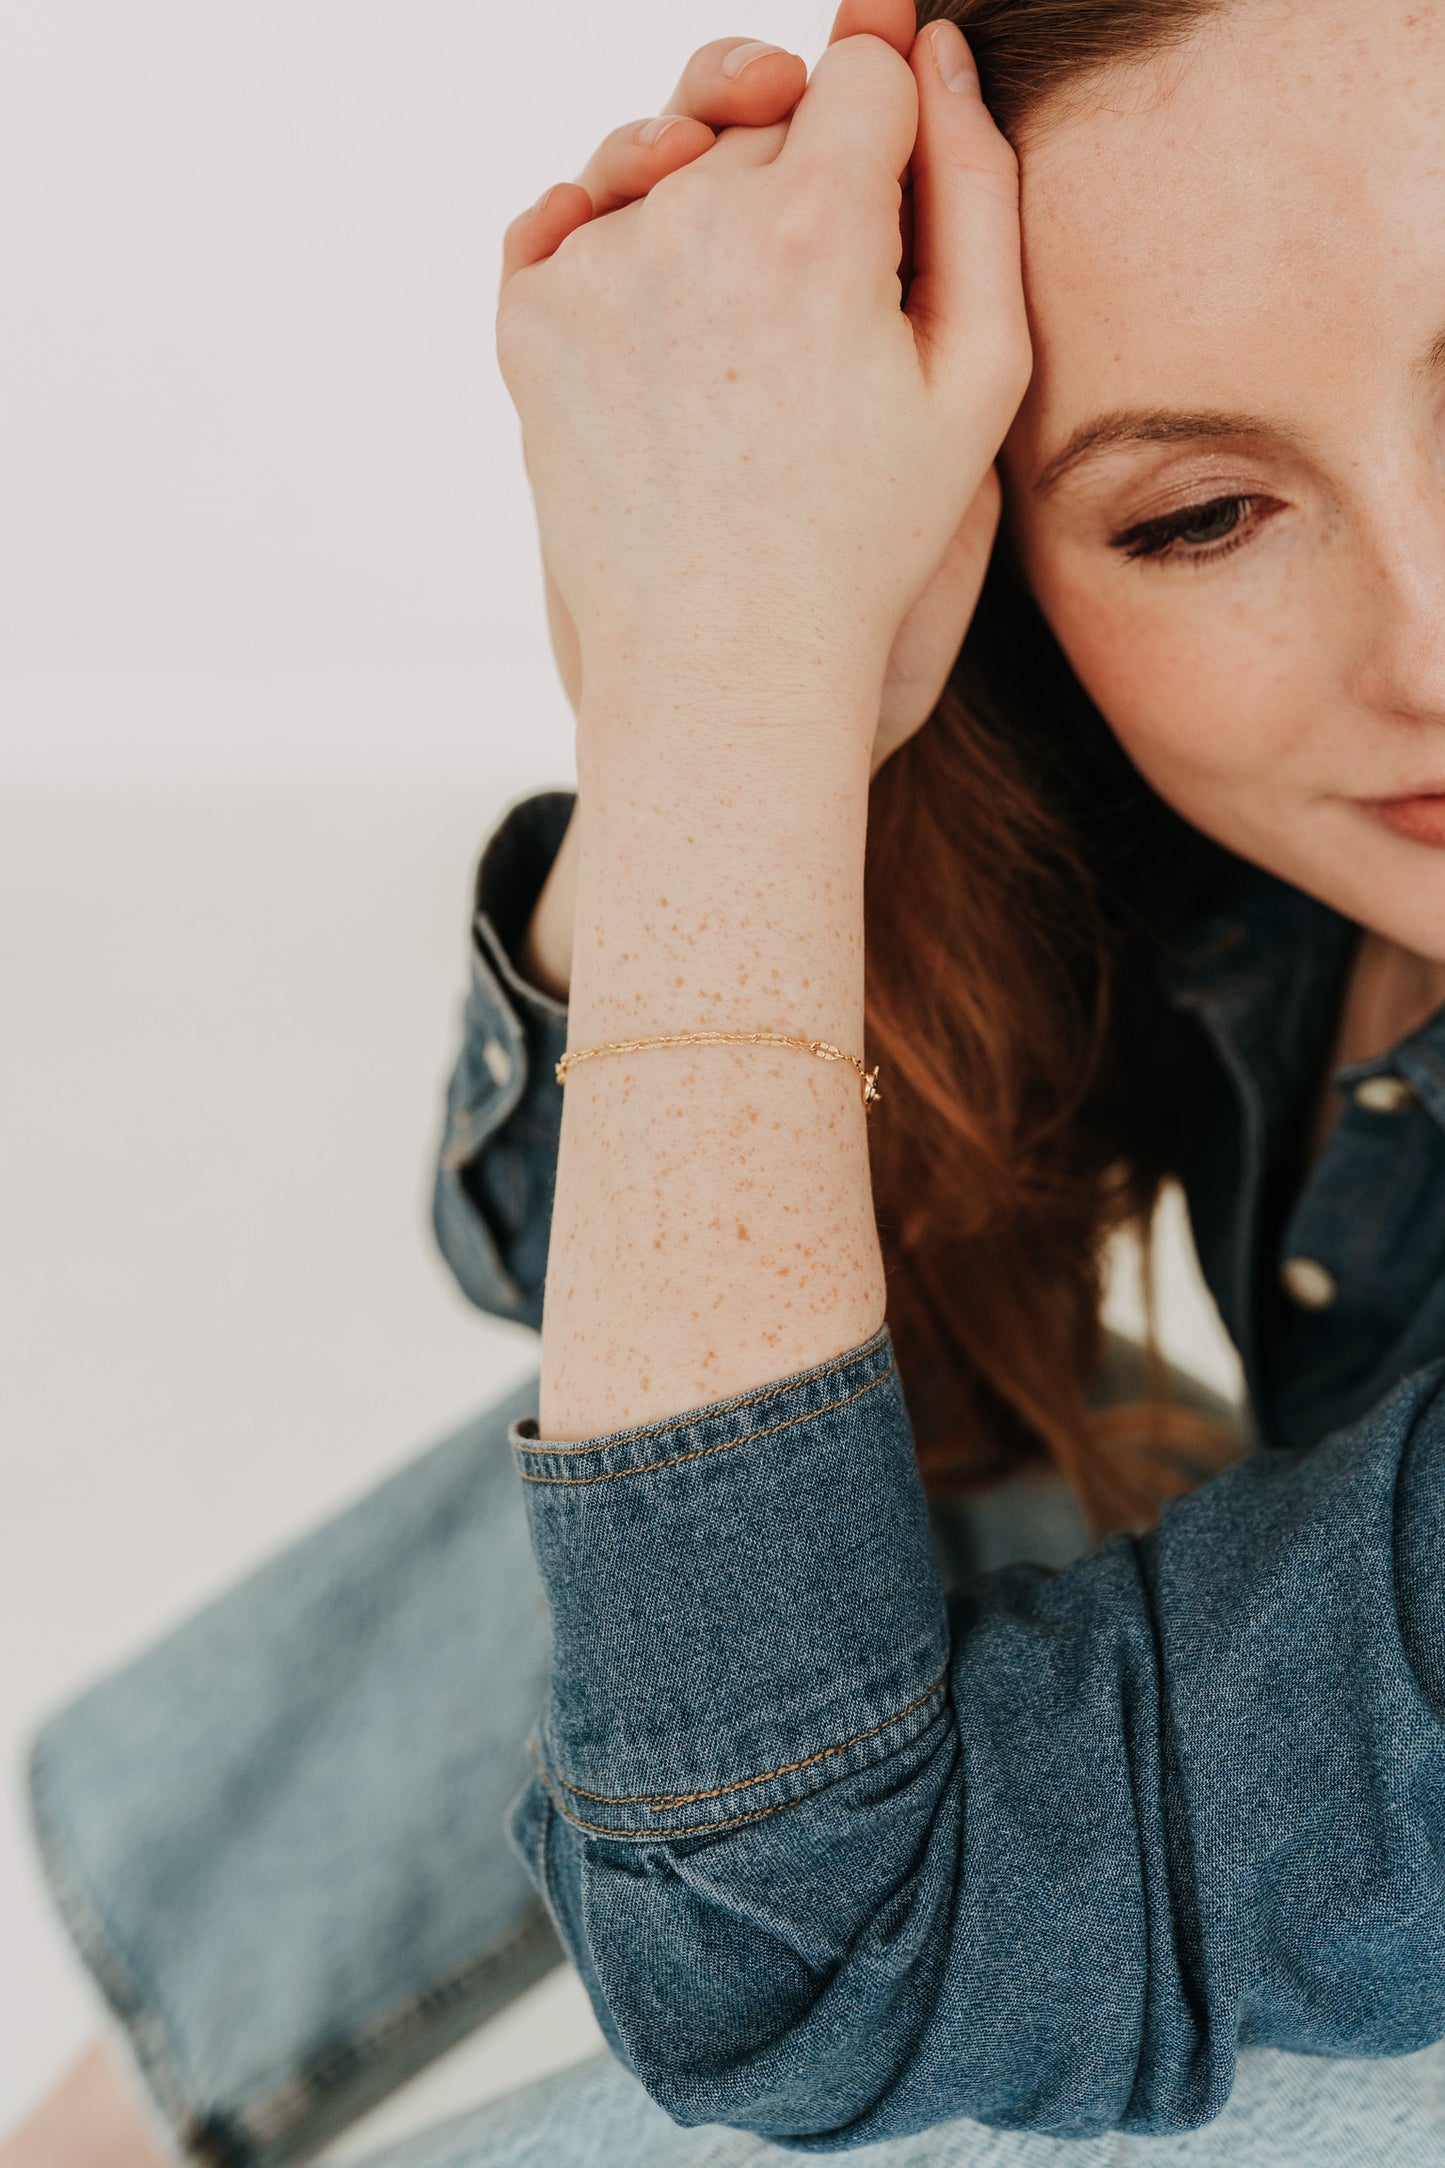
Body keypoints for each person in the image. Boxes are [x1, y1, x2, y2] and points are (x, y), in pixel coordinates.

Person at [10, 0, 1445, 2161]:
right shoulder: (1235, 848)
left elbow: (805, 1957)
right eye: (1206, 513)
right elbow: (568, 1247)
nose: (1426, 644)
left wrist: (717, 689)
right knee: (865, 1379)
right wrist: (741, 661)